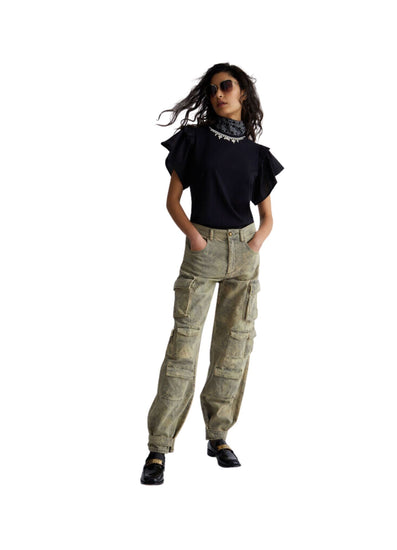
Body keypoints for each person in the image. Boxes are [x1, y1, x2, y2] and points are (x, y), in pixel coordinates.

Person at [140, 63, 284, 485]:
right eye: (212, 88)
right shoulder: (194, 140)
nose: (218, 94)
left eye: (226, 86)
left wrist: (255, 244)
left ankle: (218, 436)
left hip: (244, 254)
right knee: (183, 349)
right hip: (202, 251)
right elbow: (172, 201)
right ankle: (158, 446)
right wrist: (194, 237)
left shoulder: (257, 155)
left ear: (243, 93)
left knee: (233, 348)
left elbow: (268, 217)